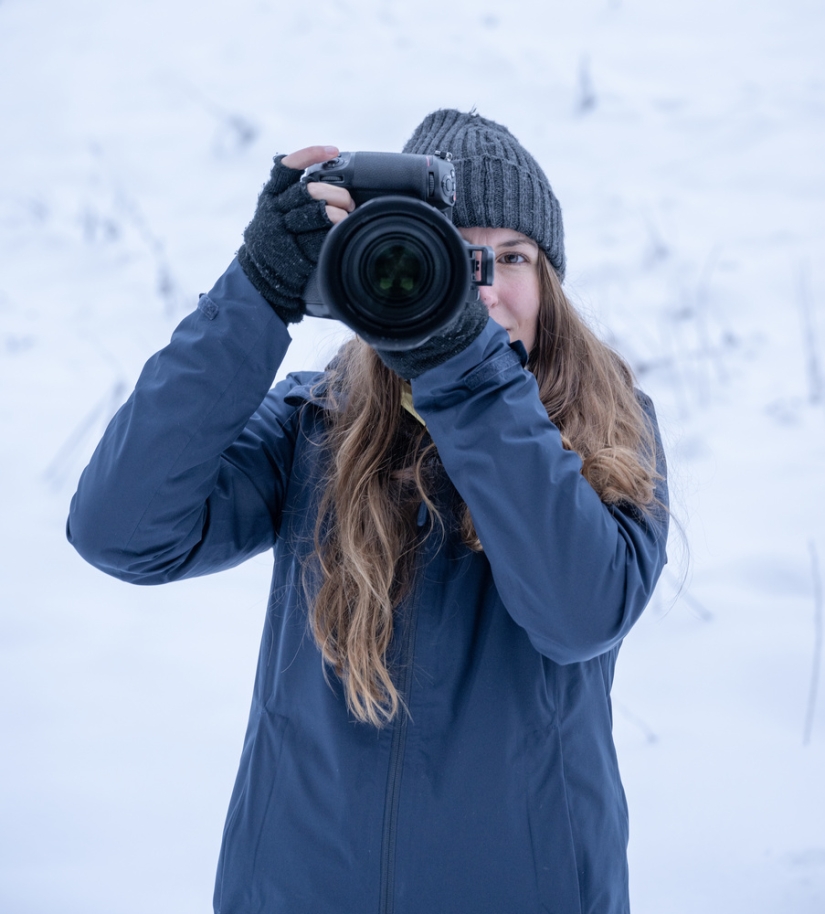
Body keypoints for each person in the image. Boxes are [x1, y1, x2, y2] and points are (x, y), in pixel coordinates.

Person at [68, 109, 669, 914]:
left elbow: (578, 611)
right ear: (387, 267)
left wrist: (462, 371)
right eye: (454, 258)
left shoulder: (607, 428)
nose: (484, 287)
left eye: (512, 257)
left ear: (549, 280)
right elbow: (121, 531)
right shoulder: (316, 421)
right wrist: (257, 290)